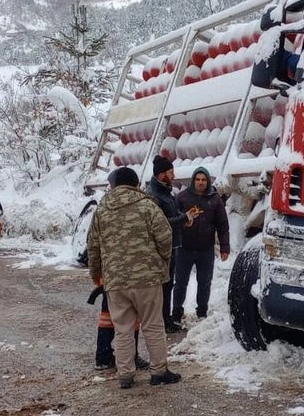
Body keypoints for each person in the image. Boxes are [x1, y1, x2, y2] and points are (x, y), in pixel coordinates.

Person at [87, 166, 180, 389]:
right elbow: (166, 236)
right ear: (136, 184)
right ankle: (159, 372)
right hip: (147, 279)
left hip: (116, 281)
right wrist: (161, 260)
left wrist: (97, 274)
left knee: (123, 329)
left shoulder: (102, 210)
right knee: (153, 325)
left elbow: (93, 246)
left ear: (114, 186)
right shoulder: (147, 205)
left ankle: (125, 375)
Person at [143, 155, 197, 334]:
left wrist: (185, 218)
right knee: (161, 285)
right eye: (170, 172)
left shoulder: (166, 191)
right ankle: (159, 322)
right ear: (161, 174)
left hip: (171, 244)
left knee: (168, 284)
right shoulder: (154, 194)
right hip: (161, 248)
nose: (173, 175)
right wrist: (184, 217)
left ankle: (165, 320)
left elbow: (172, 214)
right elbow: (161, 222)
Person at [173, 167, 230, 326]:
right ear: (193, 180)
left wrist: (225, 246)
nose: (200, 182)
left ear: (208, 181)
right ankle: (177, 312)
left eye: (203, 180)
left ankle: (202, 312)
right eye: (197, 179)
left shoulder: (215, 199)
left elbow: (222, 224)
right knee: (181, 281)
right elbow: (174, 220)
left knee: (205, 281)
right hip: (185, 247)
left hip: (206, 248)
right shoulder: (182, 197)